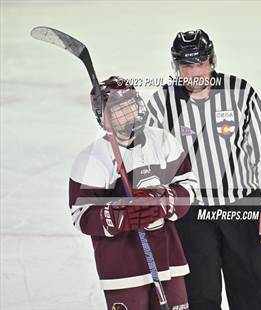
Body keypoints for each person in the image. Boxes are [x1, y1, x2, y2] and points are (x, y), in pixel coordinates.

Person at [146, 30, 261, 310]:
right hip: (191, 215)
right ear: (176, 67)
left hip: (243, 210)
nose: (194, 72)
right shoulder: (162, 101)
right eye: (186, 65)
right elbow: (146, 154)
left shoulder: (240, 92)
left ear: (211, 61)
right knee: (199, 297)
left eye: (200, 64)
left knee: (254, 292)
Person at [68, 76, 197, 310]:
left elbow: (188, 185)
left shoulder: (163, 141)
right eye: (119, 110)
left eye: (131, 105)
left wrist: (164, 201)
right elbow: (81, 215)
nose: (128, 113)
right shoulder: (92, 158)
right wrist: (118, 214)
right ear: (103, 115)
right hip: (122, 267)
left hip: (169, 260)